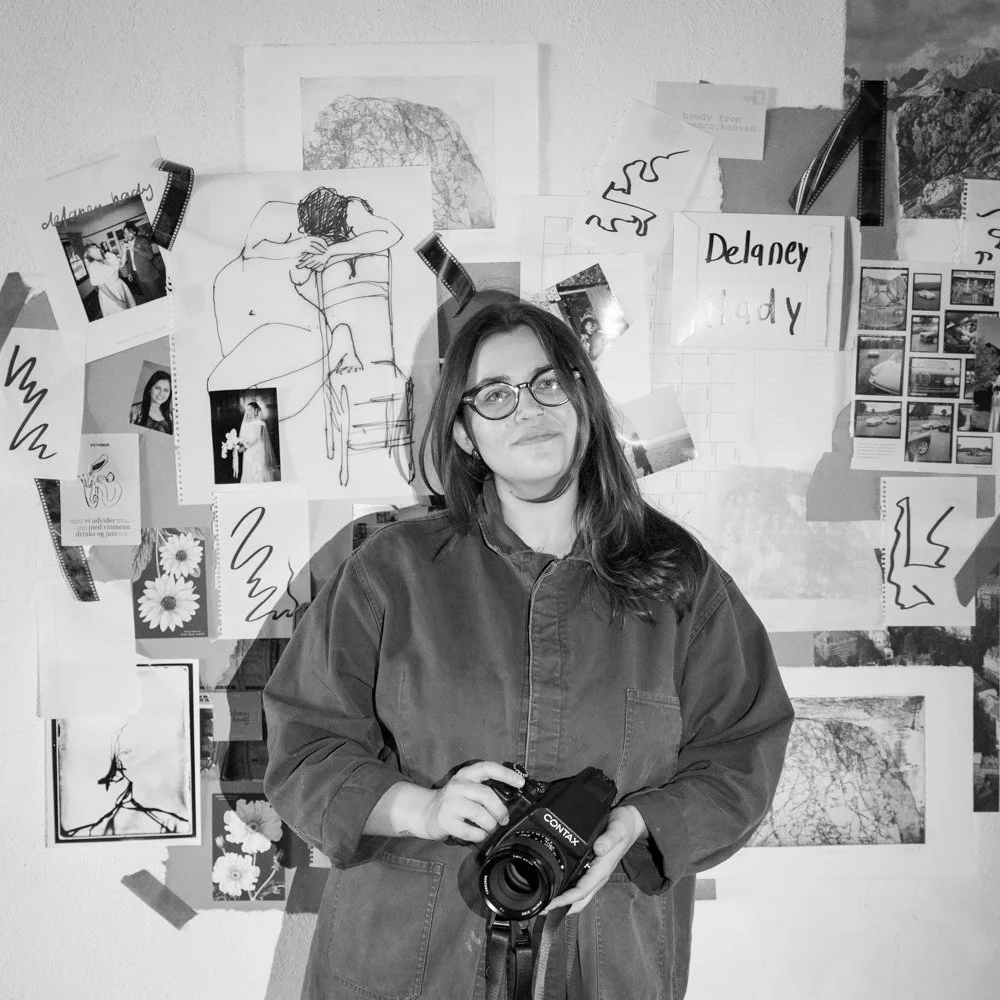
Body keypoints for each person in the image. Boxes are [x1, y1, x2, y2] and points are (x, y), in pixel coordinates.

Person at [262, 299, 794, 1000]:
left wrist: (640, 824)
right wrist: (419, 809)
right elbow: (303, 750)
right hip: (407, 963)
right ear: (464, 432)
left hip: (606, 964)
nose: (529, 408)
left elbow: (743, 754)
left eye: (548, 382)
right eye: (496, 394)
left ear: (582, 401)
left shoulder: (677, 579)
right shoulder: (392, 572)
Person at [119, 221, 166, 304]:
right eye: (125, 233)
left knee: (157, 296)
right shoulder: (127, 244)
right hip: (138, 276)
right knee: (148, 296)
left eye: (129, 232)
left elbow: (150, 256)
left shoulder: (142, 240)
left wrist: (134, 248)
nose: (126, 235)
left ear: (134, 232)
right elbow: (129, 260)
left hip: (149, 275)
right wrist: (129, 273)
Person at [83, 243, 135, 318]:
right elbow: (101, 286)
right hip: (110, 292)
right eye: (93, 248)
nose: (97, 248)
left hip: (119, 286)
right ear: (90, 255)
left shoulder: (107, 257)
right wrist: (117, 301)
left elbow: (121, 264)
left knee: (127, 307)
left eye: (96, 246)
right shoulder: (94, 266)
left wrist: (124, 252)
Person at [236, 401, 278, 482]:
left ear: (255, 410)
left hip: (256, 448)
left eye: (250, 409)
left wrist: (245, 447)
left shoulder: (258, 421)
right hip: (247, 450)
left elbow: (257, 437)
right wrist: (237, 443)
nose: (248, 412)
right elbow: (242, 436)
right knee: (248, 469)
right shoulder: (245, 422)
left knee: (257, 471)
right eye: (247, 410)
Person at [129, 370, 173, 435]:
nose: (161, 393)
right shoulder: (134, 411)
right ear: (150, 389)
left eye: (166, 390)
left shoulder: (170, 416)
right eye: (157, 388)